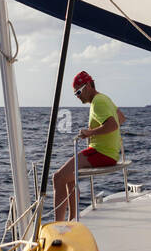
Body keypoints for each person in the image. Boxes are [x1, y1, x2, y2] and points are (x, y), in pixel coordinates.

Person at [53, 71, 125, 221]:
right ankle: (72, 219)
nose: (78, 96)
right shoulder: (105, 98)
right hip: (110, 153)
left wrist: (89, 132)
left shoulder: (98, 102)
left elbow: (112, 124)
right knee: (69, 177)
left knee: (58, 178)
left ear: (88, 87)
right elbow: (121, 118)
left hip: (101, 153)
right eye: (75, 94)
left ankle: (57, 225)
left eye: (78, 92)